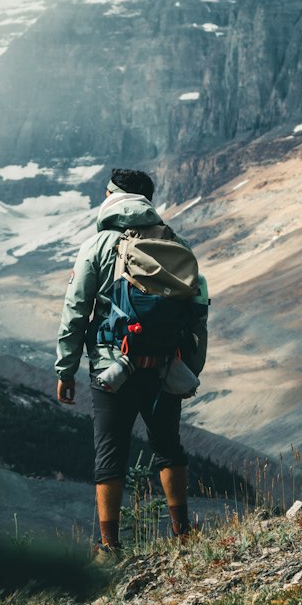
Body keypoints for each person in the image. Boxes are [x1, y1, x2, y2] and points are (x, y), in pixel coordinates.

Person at [55, 168, 208, 553]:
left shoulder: (99, 245)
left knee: (110, 453)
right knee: (168, 447)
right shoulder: (176, 243)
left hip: (111, 366)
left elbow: (75, 309)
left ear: (113, 195)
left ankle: (109, 547)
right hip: (164, 365)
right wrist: (190, 368)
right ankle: (183, 534)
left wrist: (66, 368)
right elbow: (197, 311)